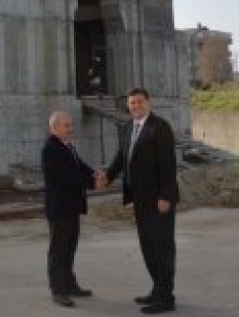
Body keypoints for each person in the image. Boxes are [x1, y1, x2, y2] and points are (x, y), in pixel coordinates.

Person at [104, 87, 181, 313]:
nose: (136, 106)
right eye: (132, 103)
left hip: (158, 200)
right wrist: (107, 177)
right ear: (128, 106)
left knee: (162, 248)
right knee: (148, 247)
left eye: (139, 102)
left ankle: (165, 298)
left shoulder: (160, 127)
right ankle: (158, 290)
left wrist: (166, 196)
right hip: (139, 199)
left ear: (148, 103)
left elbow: (168, 165)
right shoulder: (128, 127)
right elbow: (121, 157)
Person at [41, 110, 99, 308]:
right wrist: (92, 183)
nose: (71, 128)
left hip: (72, 207)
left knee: (69, 250)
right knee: (58, 251)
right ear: (55, 127)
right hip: (59, 209)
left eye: (70, 124)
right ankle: (58, 291)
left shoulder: (67, 146)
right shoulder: (51, 149)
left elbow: (80, 166)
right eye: (67, 125)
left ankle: (70, 285)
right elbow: (67, 177)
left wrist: (94, 174)